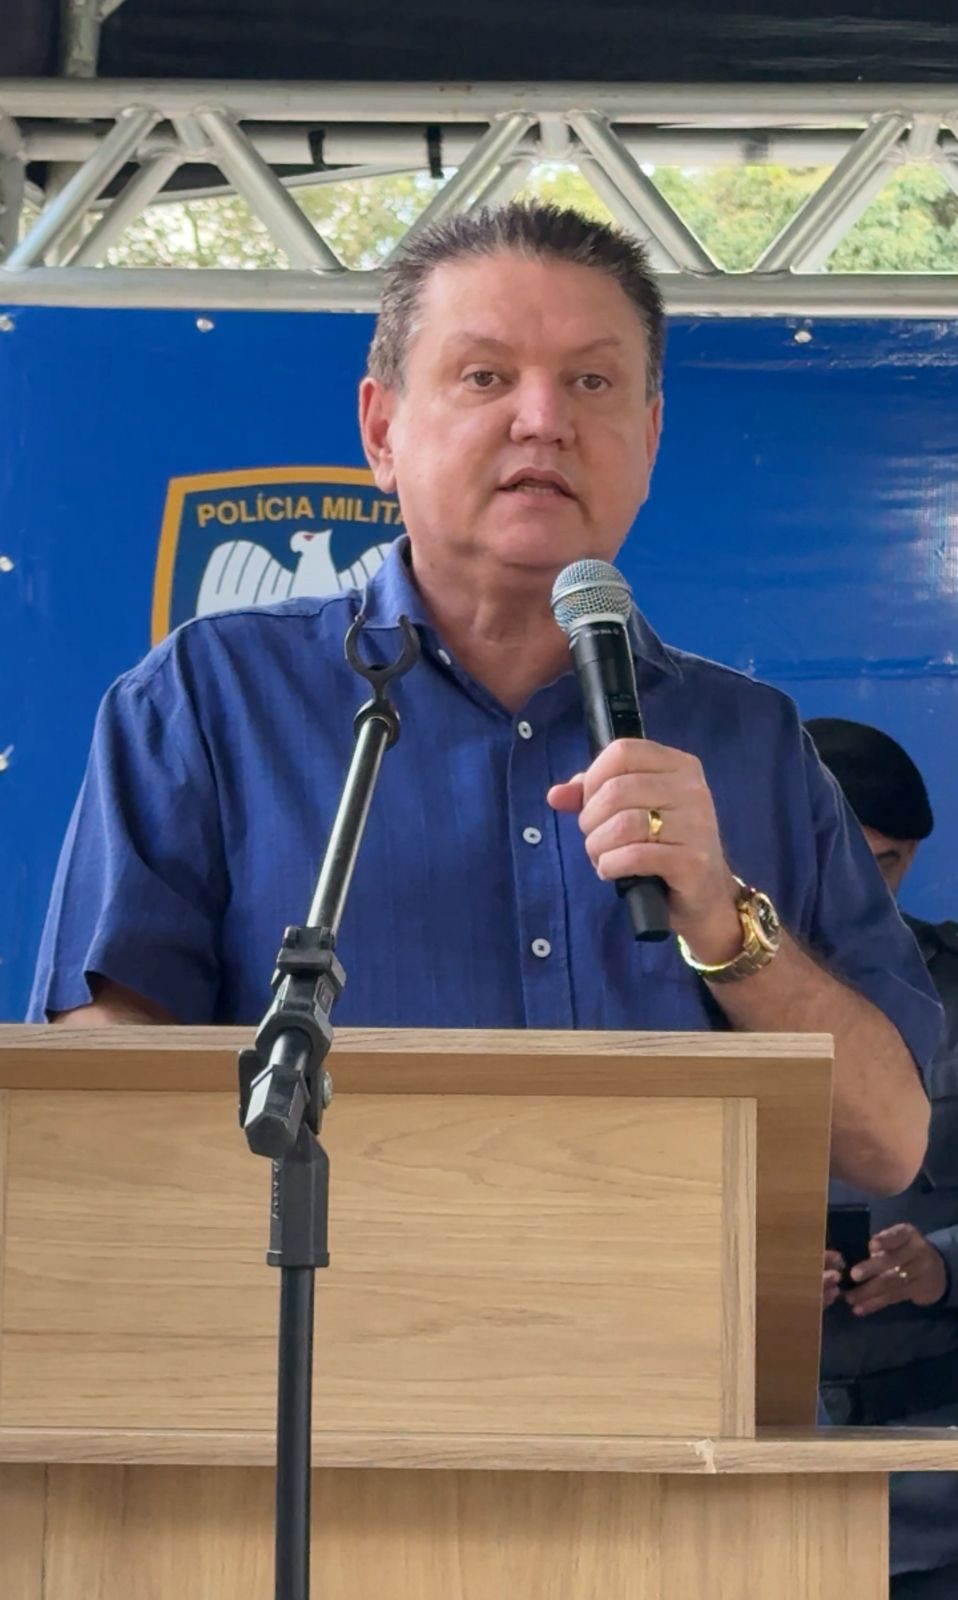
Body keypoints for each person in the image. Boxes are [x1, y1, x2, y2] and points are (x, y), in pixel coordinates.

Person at [29, 202, 938, 1197]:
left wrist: (727, 927)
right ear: (382, 430)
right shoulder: (213, 698)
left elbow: (888, 1143)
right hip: (310, 1292)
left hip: (655, 1296)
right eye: (485, 376)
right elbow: (99, 1077)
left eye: (591, 382)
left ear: (647, 438)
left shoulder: (751, 741)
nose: (544, 419)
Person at [808, 717, 958, 1600]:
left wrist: (943, 1265)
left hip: (936, 1490)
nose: (866, 888)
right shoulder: (665, 998)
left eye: (889, 861)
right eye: (841, 857)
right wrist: (746, 1269)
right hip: (742, 1477)